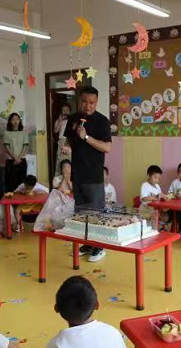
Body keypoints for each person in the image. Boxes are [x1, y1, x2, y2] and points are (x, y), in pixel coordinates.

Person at [62, 86, 112, 263]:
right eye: (84, 102)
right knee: (81, 212)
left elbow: (107, 147)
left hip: (93, 175)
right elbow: (69, 139)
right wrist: (68, 147)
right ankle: (87, 243)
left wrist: (86, 137)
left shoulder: (102, 121)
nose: (88, 105)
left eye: (92, 102)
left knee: (96, 212)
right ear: (79, 101)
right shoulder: (73, 118)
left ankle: (99, 247)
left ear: (96, 102)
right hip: (77, 173)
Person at [3, 113, 29, 193]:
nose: (15, 121)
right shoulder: (6, 133)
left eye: (17, 119)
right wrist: (15, 158)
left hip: (21, 161)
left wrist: (18, 158)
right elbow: (7, 147)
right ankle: (11, 200)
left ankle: (21, 200)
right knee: (10, 184)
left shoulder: (24, 133)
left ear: (20, 121)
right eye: (13, 119)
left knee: (21, 184)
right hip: (11, 161)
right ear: (10, 121)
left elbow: (25, 146)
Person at [54, 103, 72, 177]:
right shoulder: (58, 120)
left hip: (70, 142)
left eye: (67, 110)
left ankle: (69, 179)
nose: (65, 112)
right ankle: (58, 179)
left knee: (69, 160)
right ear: (61, 111)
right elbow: (55, 131)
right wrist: (60, 121)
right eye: (63, 110)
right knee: (59, 161)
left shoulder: (72, 120)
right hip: (61, 142)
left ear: (70, 111)